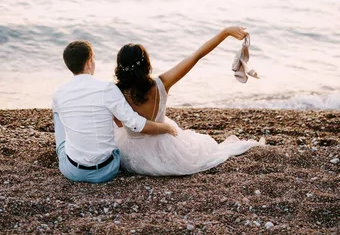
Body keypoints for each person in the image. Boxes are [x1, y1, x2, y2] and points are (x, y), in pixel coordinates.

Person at [114, 26, 264, 176]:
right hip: (165, 151)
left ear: (119, 68)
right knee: (203, 147)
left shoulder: (114, 92)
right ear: (146, 64)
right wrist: (225, 33)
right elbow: (197, 55)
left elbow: (120, 124)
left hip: (134, 158)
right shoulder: (161, 84)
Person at [52, 40, 177, 183]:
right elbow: (136, 124)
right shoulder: (107, 89)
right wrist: (166, 127)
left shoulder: (58, 93)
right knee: (104, 112)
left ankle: (74, 148)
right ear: (88, 63)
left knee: (58, 114)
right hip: (107, 170)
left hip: (73, 171)